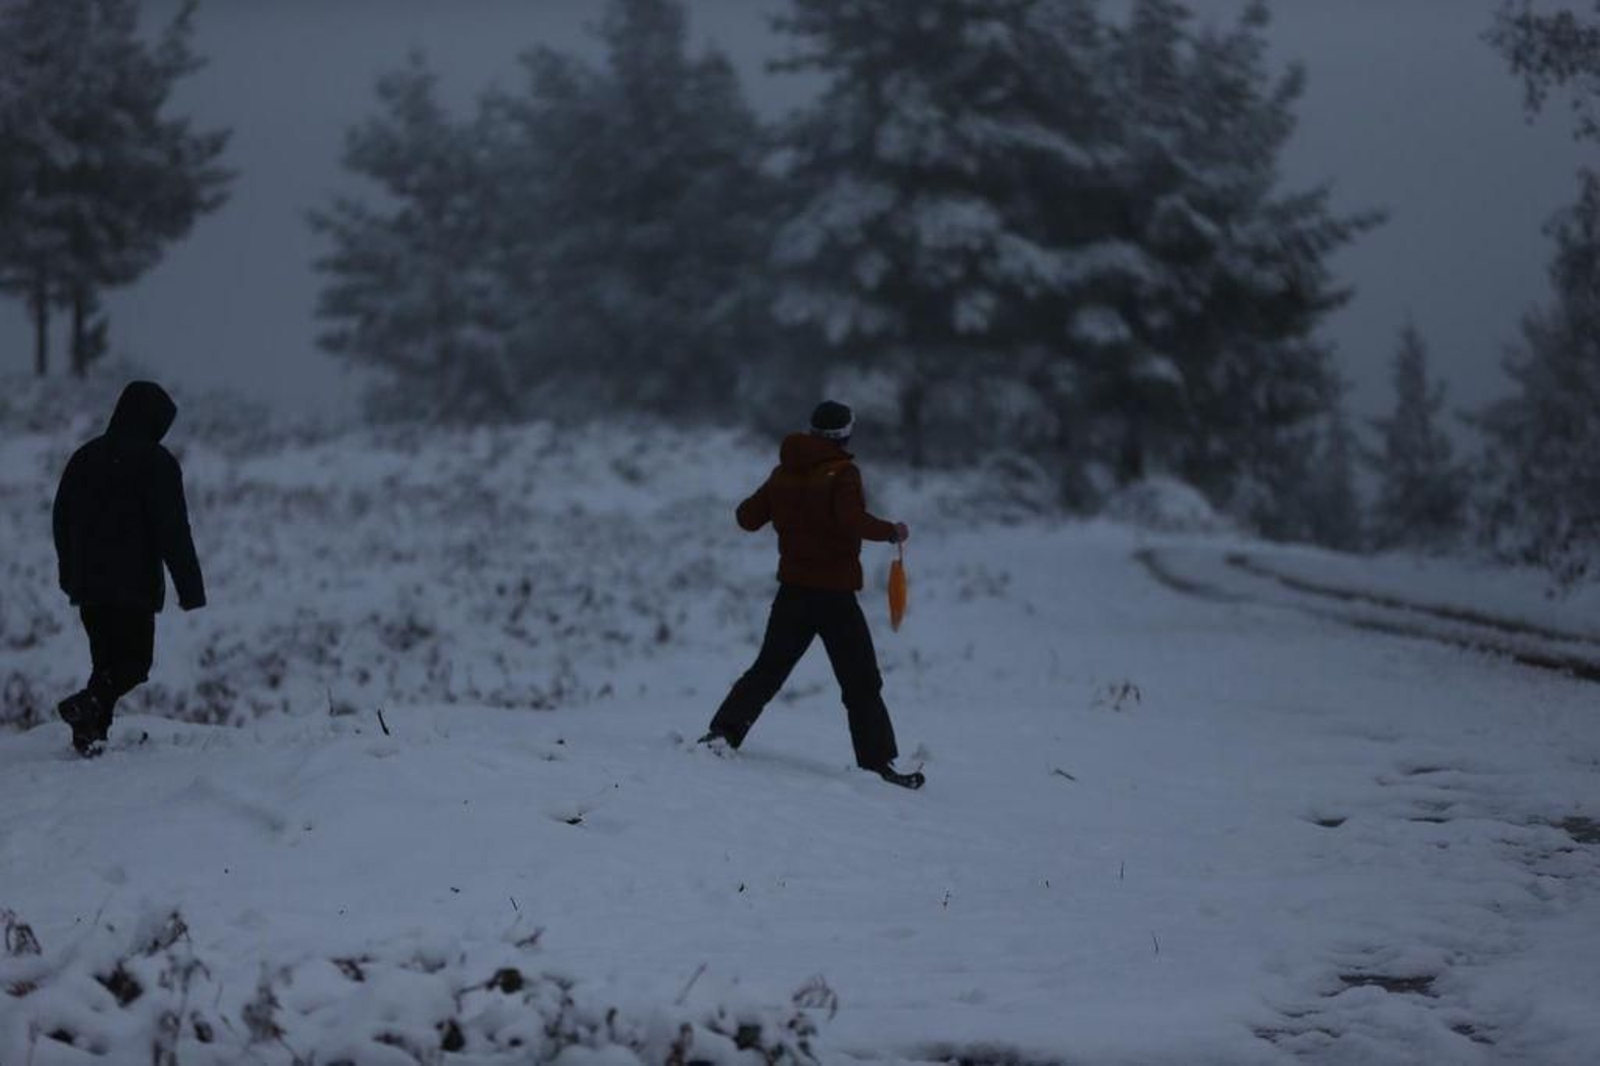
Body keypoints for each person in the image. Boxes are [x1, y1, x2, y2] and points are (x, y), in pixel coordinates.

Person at [700, 400, 924, 789]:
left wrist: (787, 504)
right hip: (835, 597)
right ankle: (877, 765)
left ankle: (722, 733)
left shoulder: (784, 471)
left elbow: (746, 518)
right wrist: (891, 531)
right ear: (845, 434)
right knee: (860, 681)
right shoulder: (844, 473)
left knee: (767, 670)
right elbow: (851, 520)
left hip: (793, 593)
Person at [52, 381, 206, 757]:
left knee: (105, 661)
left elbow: (61, 519)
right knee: (135, 664)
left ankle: (91, 732)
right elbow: (173, 529)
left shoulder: (84, 457)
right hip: (132, 585)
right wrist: (190, 588)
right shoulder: (157, 463)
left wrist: (69, 572)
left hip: (88, 584)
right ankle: (89, 705)